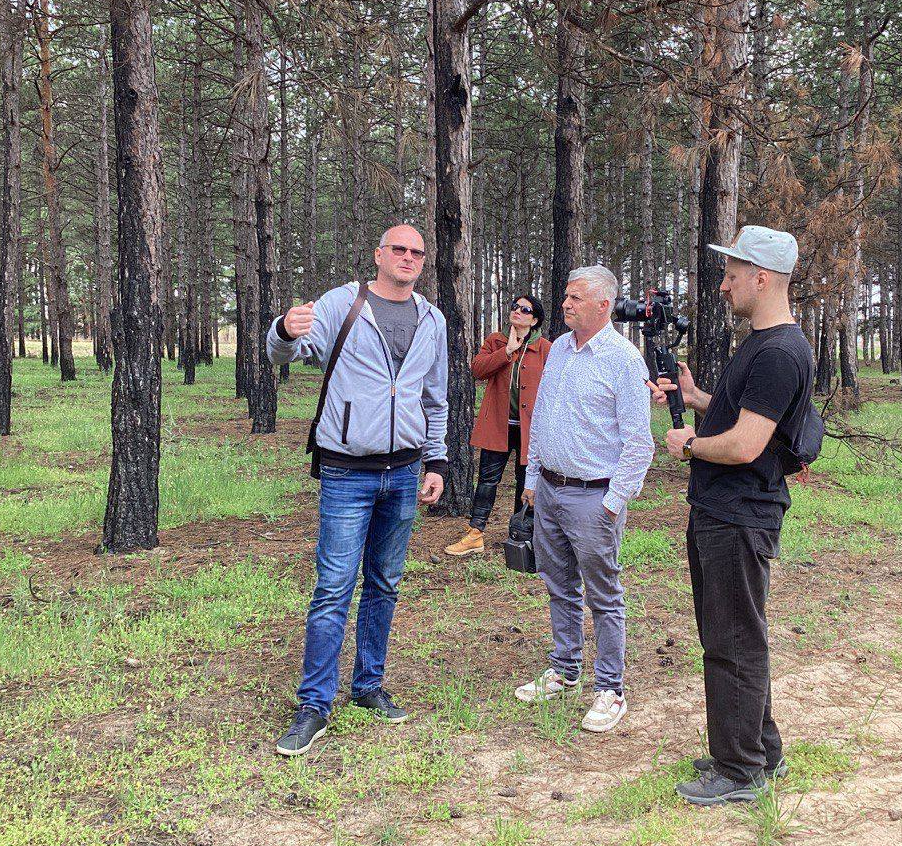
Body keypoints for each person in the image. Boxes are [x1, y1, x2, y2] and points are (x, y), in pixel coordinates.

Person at [266, 224, 449, 757]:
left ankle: (368, 687)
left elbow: (433, 398)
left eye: (417, 251)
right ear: (379, 255)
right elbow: (285, 354)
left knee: (385, 583)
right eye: (399, 249)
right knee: (333, 589)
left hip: (405, 473)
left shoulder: (433, 319)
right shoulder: (342, 304)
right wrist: (282, 328)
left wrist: (435, 460)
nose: (409, 258)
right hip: (348, 472)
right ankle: (314, 705)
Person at [654, 225, 813, 805]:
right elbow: (748, 417)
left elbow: (747, 445)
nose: (723, 286)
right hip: (724, 512)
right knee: (734, 634)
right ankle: (758, 747)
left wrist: (689, 443)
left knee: (733, 641)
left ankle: (739, 770)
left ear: (762, 278)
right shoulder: (762, 343)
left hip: (739, 516)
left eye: (731, 275)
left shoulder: (777, 351)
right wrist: (700, 400)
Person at [515, 266, 655, 733]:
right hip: (550, 491)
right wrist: (533, 475)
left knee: (604, 595)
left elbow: (639, 442)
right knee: (558, 585)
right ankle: (565, 670)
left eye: (576, 298)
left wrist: (614, 501)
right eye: (566, 297)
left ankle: (610, 689)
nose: (565, 304)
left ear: (603, 305)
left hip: (595, 498)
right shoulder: (558, 352)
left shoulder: (622, 358)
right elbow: (543, 416)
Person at [445, 293, 551, 557]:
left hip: (532, 429)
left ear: (534, 319)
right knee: (487, 480)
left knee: (525, 481)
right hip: (498, 425)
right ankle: (475, 534)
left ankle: (520, 535)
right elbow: (478, 369)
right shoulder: (496, 340)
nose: (517, 311)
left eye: (525, 309)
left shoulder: (546, 348)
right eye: (514, 306)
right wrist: (507, 352)